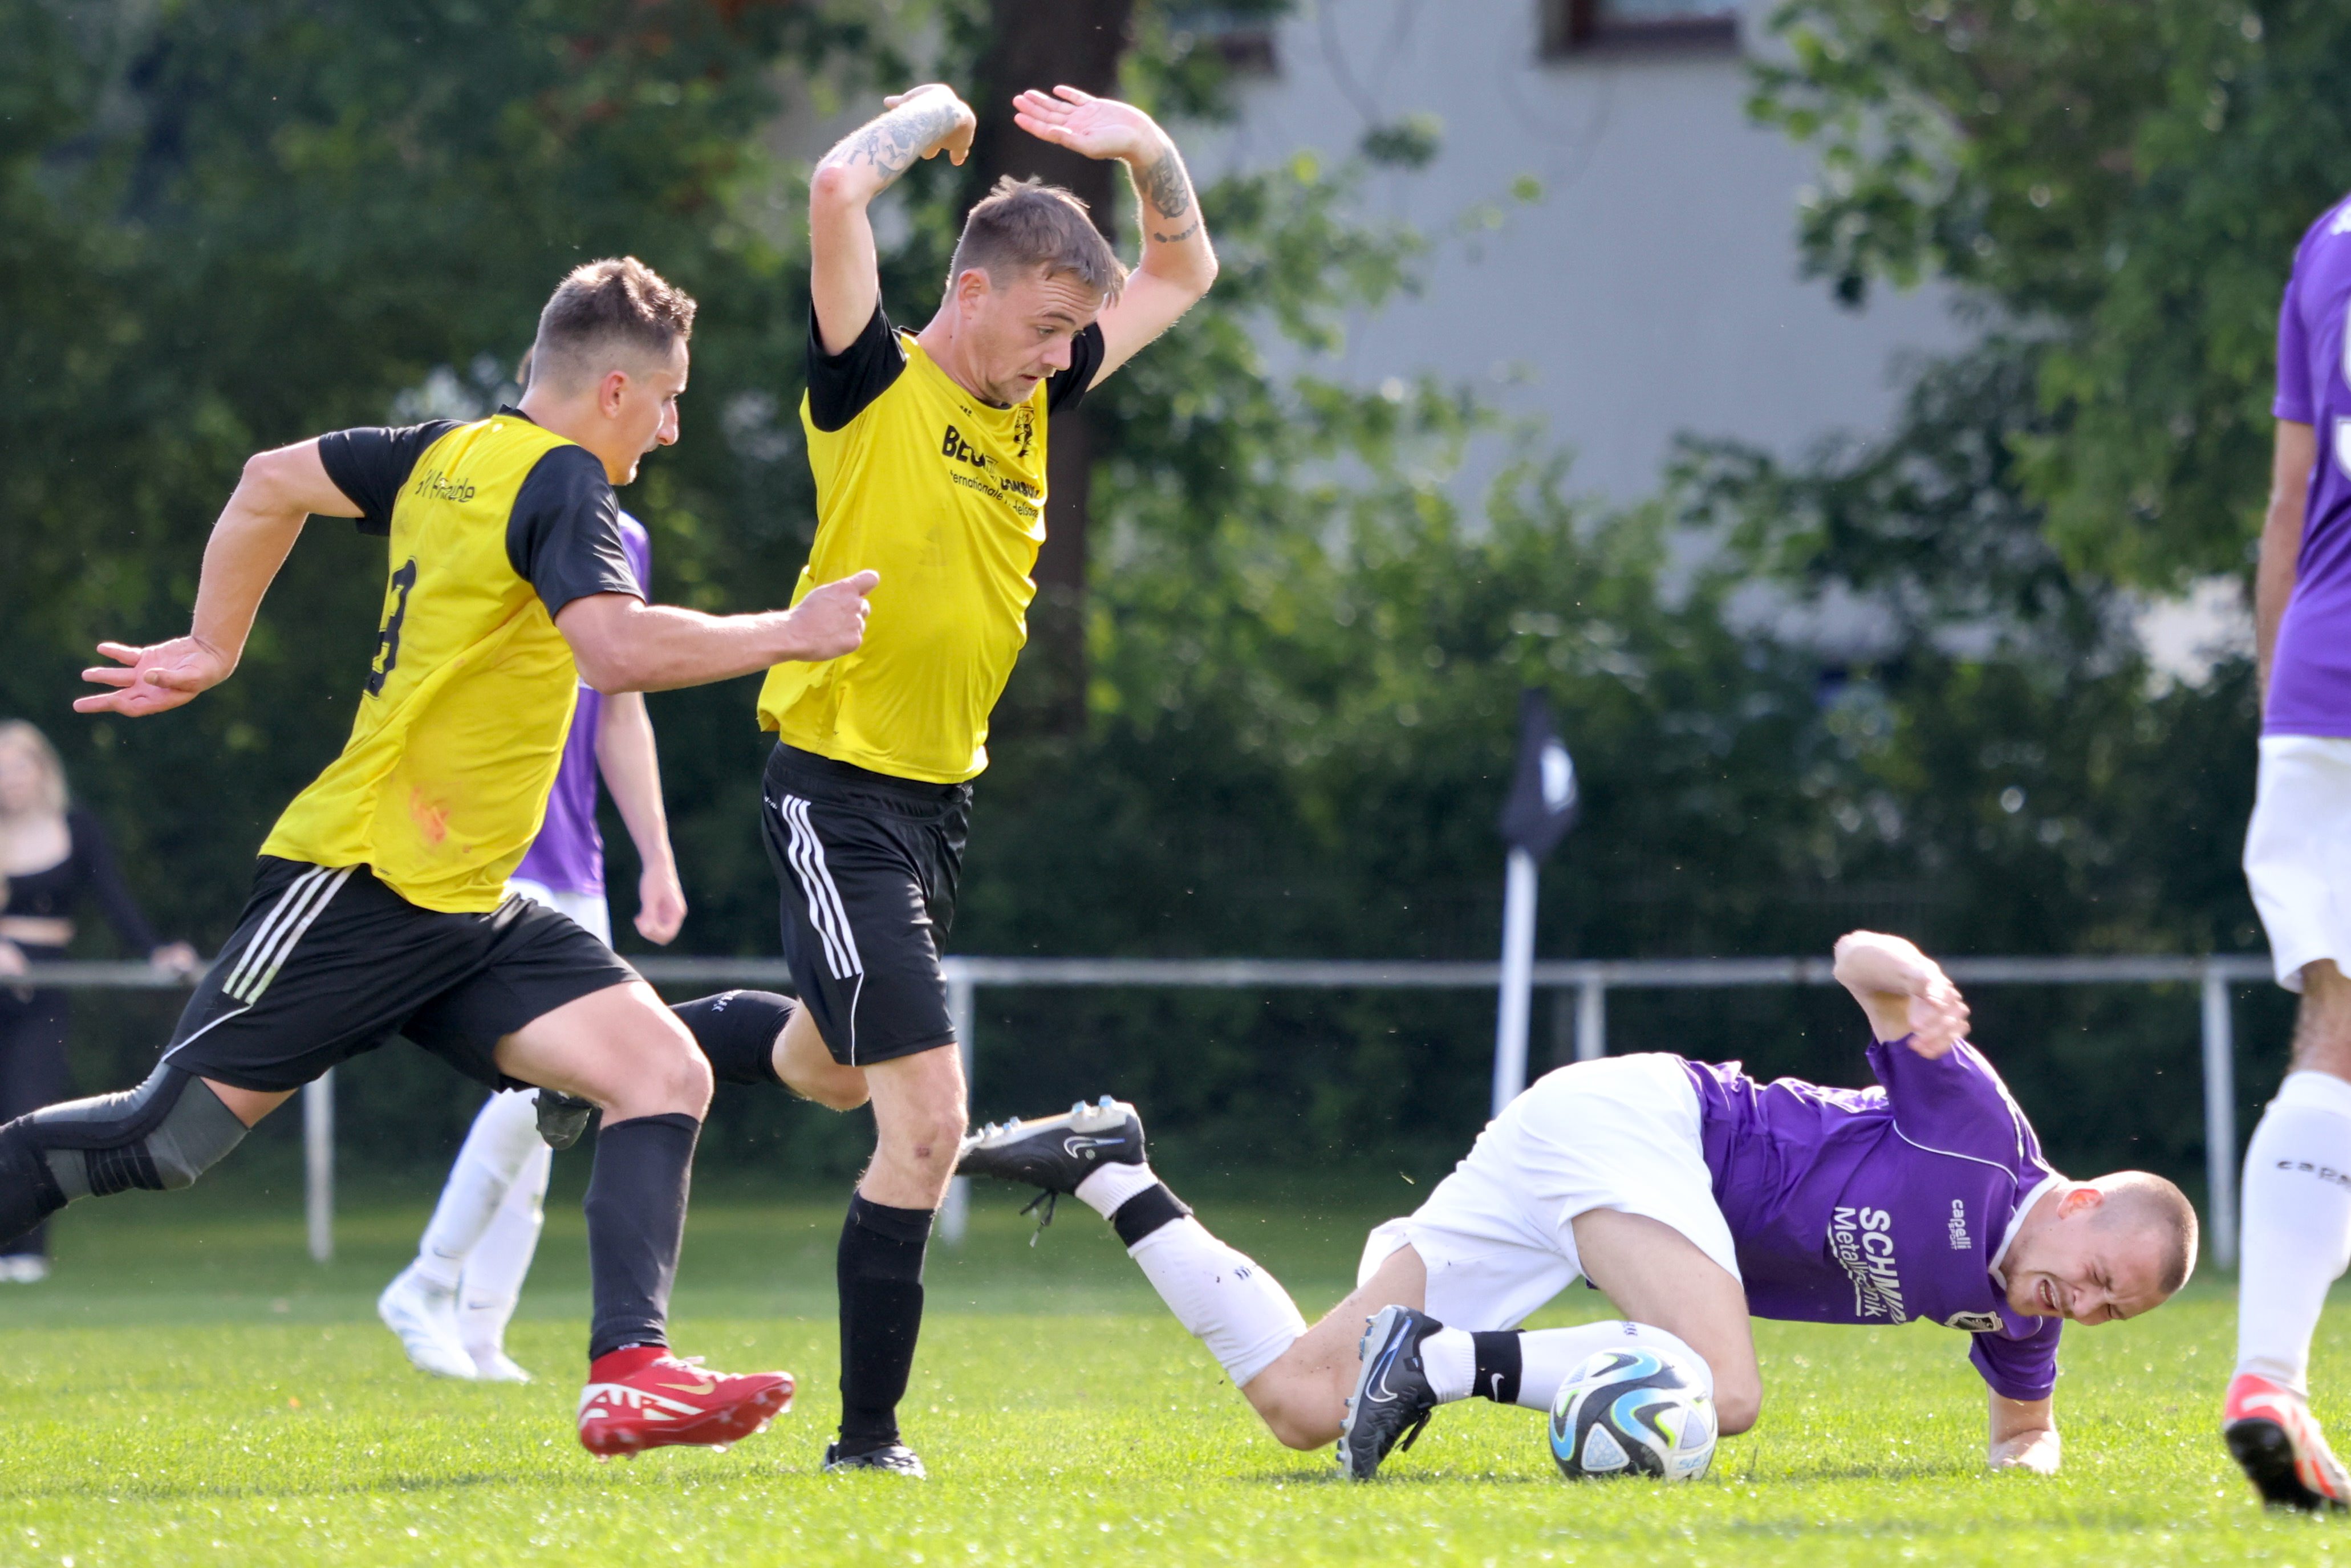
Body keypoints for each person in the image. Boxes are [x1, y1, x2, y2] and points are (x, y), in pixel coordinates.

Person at [0, 255, 880, 1457]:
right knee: (166, 1138)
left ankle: (630, 1371)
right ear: (615, 390)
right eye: (669, 400)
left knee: (660, 1071)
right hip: (356, 880)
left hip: (466, 905)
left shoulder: (442, 453)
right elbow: (615, 653)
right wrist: (793, 630)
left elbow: (269, 482)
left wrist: (215, 643)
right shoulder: (565, 480)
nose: (672, 428)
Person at [960, 931, 2199, 1480]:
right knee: (1723, 1394)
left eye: (2112, 1313)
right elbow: (1851, 957)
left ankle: (1110, 1167)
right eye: (2100, 1275)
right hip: (1642, 1127)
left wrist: (2027, 1476)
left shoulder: (2018, 1315)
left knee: (1299, 1404)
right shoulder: (1980, 1135)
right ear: (2080, 1201)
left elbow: (2024, 1437)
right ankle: (1434, 1363)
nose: (2085, 1306)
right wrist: (1914, 978)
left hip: (1602, 1181)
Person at [734, 80, 1219, 1476]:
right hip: (837, 791)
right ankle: (866, 1443)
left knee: (828, 1067)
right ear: (970, 290)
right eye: (1048, 326)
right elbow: (837, 189)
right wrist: (936, 111)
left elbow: (1185, 268)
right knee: (929, 1121)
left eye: (1076, 334)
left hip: (939, 804)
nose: (1064, 358)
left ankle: (627, 1056)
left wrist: (1145, 149)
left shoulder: (1035, 388)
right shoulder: (871, 380)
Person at [376, 503, 684, 1383]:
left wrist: (656, 855)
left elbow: (620, 713)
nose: (662, 436)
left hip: (575, 860)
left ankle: (480, 1330)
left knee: (563, 1102)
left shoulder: (626, 538)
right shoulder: (483, 506)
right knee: (544, 1088)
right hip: (486, 851)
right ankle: (428, 1282)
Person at [2227, 186, 2351, 1511]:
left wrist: (2284, 713)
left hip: (2322, 676)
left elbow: (2289, 501)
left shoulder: (2326, 239)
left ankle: (2268, 1375)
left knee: (2336, 1029)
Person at [0, 720, 197, 1282]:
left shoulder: (76, 827)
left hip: (43, 992)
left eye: (19, 767)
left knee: (30, 1113)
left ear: (43, 770)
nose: (10, 779)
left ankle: (25, 1249)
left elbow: (113, 896)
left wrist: (155, 951)